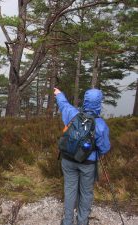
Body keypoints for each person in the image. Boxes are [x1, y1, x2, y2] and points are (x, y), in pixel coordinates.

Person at [54, 88, 110, 225]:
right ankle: (82, 221)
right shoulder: (101, 125)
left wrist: (58, 93)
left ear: (85, 101)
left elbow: (64, 104)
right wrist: (98, 154)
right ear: (99, 103)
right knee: (86, 193)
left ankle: (67, 221)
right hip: (88, 164)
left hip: (68, 160)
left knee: (69, 189)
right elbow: (105, 148)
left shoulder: (72, 114)